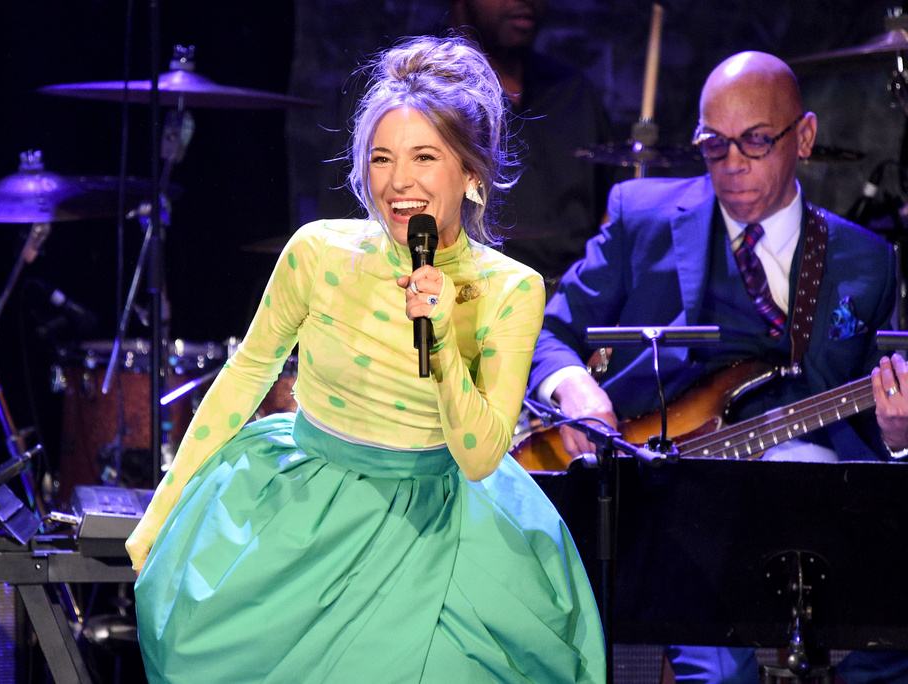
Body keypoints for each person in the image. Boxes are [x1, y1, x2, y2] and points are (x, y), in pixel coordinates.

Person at [126, 35, 605, 683]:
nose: (398, 182)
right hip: (304, 510)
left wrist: (441, 339)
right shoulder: (318, 252)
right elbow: (245, 376)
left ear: (471, 174)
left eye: (424, 157)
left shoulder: (510, 289)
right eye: (381, 158)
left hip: (441, 521)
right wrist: (161, 511)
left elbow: (479, 457)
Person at [527, 51, 908, 683]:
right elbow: (548, 331)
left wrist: (898, 436)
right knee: (717, 672)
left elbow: (877, 417)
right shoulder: (641, 217)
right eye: (713, 144)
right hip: (670, 502)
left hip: (813, 504)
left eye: (755, 141)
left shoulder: (864, 259)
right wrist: (576, 391)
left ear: (804, 137)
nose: (732, 164)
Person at [447, 0, 622, 286]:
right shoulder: (432, 95)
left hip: (574, 295)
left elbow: (615, 197)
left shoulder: (573, 91)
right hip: (475, 292)